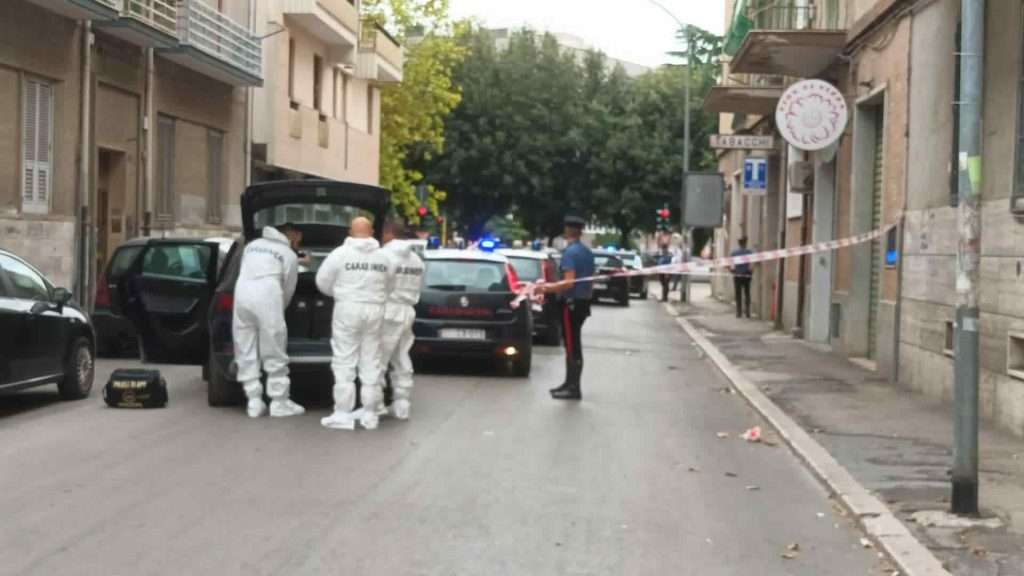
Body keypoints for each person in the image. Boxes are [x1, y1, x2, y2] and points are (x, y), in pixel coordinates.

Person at [316, 217, 393, 431]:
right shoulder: (384, 257)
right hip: (375, 310)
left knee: (344, 359)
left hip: (347, 309)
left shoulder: (340, 254)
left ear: (350, 231)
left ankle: (342, 413)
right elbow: (390, 285)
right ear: (373, 232)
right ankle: (369, 413)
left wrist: (340, 293)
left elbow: (322, 281)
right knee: (371, 360)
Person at [233, 223, 306, 419]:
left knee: (245, 346)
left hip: (241, 294)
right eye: (299, 238)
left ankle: (254, 400)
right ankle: (279, 402)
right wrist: (278, 310)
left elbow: (243, 270)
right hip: (268, 294)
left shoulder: (252, 245)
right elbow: (289, 288)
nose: (299, 243)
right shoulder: (288, 253)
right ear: (294, 236)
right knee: (273, 348)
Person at [542, 214, 595, 401]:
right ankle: (569, 383)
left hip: (571, 304)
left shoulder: (570, 253)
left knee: (572, 345)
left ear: (567, 230)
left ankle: (573, 387)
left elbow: (568, 282)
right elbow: (589, 281)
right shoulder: (587, 252)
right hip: (582, 303)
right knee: (574, 344)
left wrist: (547, 287)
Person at [377, 219, 424, 421]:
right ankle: (402, 403)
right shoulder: (416, 260)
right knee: (401, 357)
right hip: (407, 311)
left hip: (388, 309)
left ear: (388, 233)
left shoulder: (383, 256)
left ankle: (375, 405)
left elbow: (378, 284)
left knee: (378, 359)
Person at [730, 237, 754, 319]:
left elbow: (732, 266)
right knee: (747, 293)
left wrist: (733, 271)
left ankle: (738, 312)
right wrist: (750, 273)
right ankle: (747, 312)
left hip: (737, 275)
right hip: (746, 275)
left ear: (739, 243)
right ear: (745, 243)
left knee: (738, 294)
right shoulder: (749, 252)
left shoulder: (734, 253)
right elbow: (751, 266)